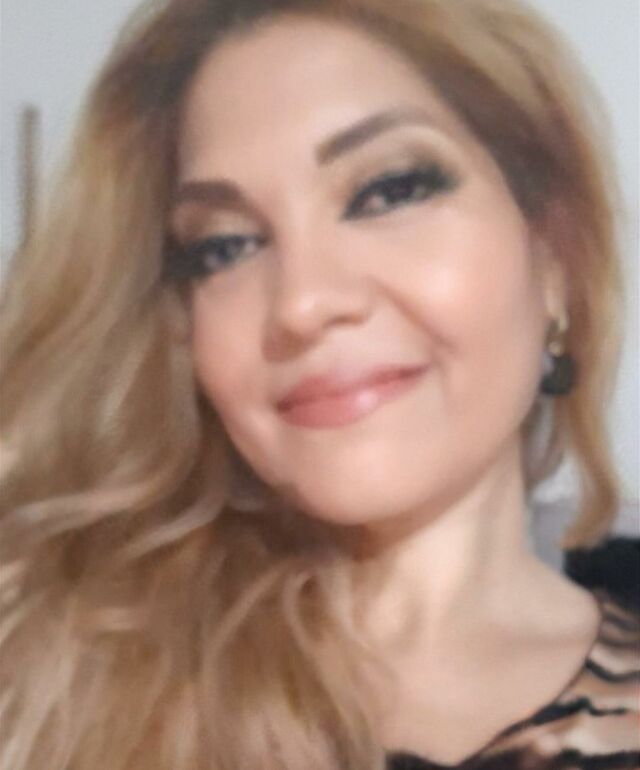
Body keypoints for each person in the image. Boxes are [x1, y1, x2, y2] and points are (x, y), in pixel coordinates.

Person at [1, 0, 638, 768]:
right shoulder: (46, 676)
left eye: (390, 190)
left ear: (556, 255)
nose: (300, 304)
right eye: (225, 247)